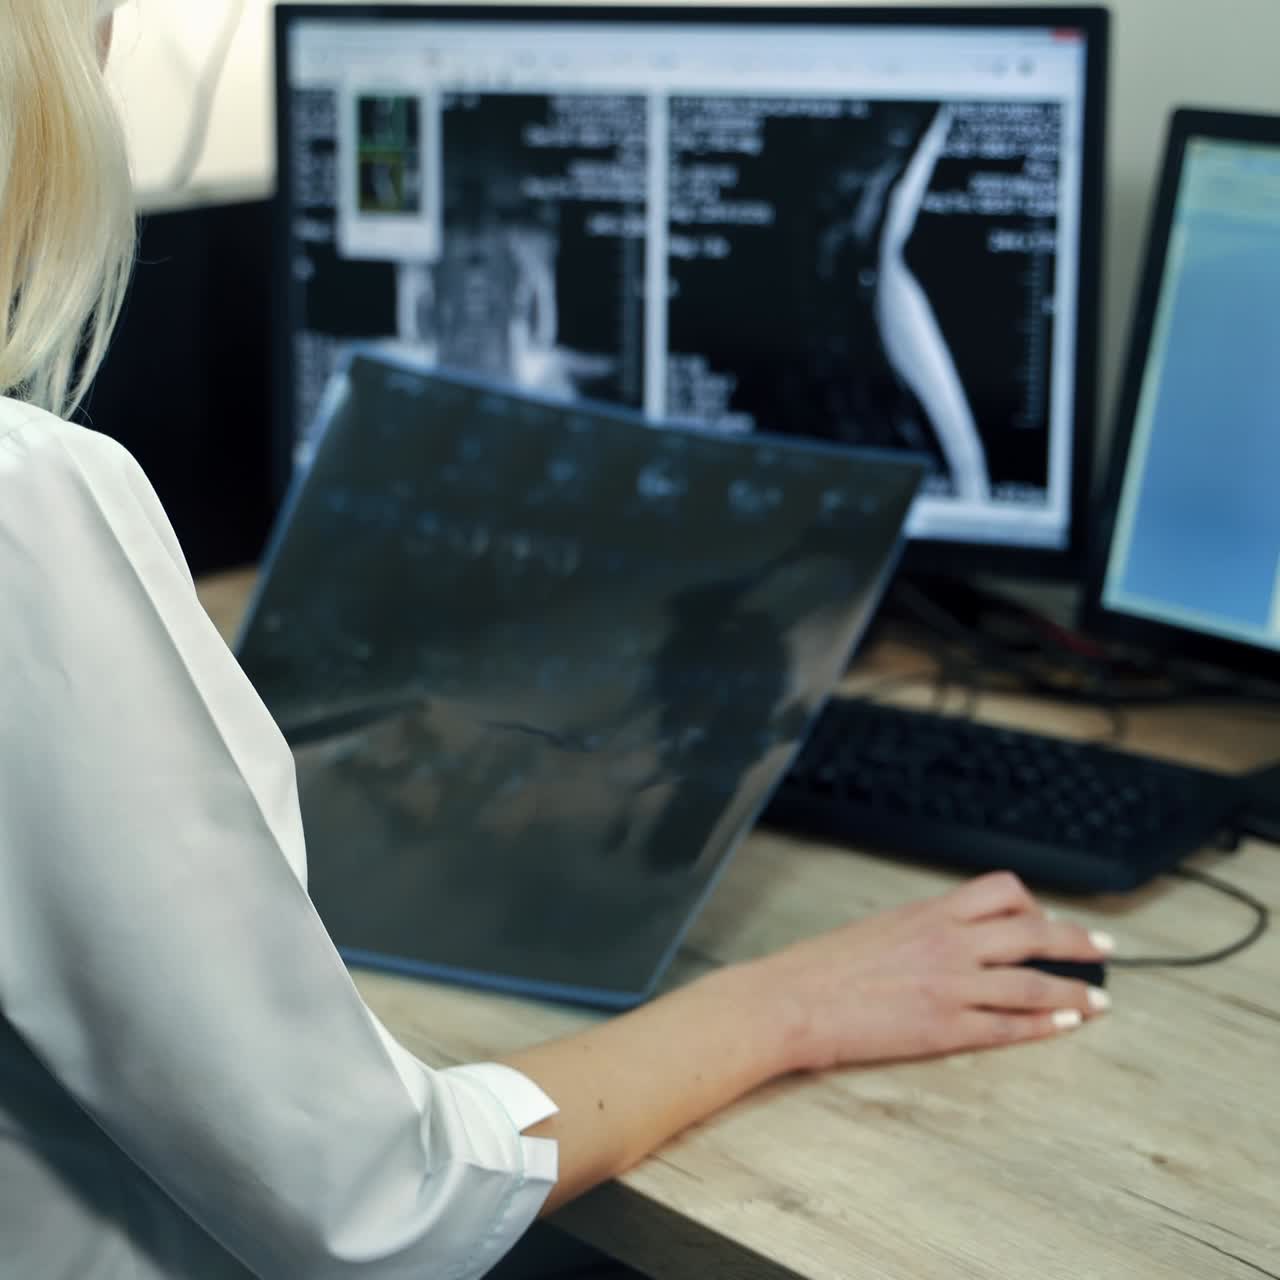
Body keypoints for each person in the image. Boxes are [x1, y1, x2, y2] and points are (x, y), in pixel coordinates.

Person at [0, 4, 1114, 1278]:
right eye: (91, 19)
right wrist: (789, 1001)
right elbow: (378, 1202)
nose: (105, 63)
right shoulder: (28, 499)